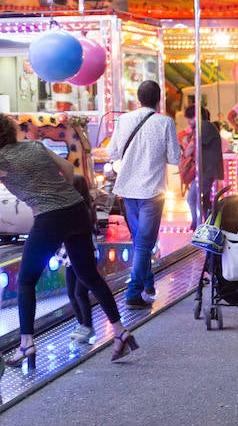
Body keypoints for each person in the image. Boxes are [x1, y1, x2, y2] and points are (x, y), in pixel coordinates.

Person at [0, 115, 138, 367]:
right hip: (76, 209)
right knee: (89, 276)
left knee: (26, 280)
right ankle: (120, 332)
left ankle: (26, 345)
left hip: (49, 217)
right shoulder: (35, 145)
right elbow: (68, 171)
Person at [107, 80, 180, 309]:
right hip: (152, 191)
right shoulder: (165, 122)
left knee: (141, 241)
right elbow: (174, 158)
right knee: (143, 244)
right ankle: (133, 293)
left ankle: (148, 284)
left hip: (127, 191)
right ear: (159, 99)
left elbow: (112, 152)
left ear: (138, 99)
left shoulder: (124, 120)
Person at [65, 174, 97, 343]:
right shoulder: (74, 208)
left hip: (83, 256)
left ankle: (87, 325)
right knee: (71, 293)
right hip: (69, 258)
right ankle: (82, 325)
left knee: (79, 292)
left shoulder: (83, 209)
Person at [184, 104, 225, 230]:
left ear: (195, 116)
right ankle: (210, 224)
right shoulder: (207, 126)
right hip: (207, 169)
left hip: (207, 170)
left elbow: (189, 148)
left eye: (189, 118)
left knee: (192, 198)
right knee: (205, 200)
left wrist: (186, 149)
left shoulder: (204, 127)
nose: (188, 122)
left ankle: (197, 224)